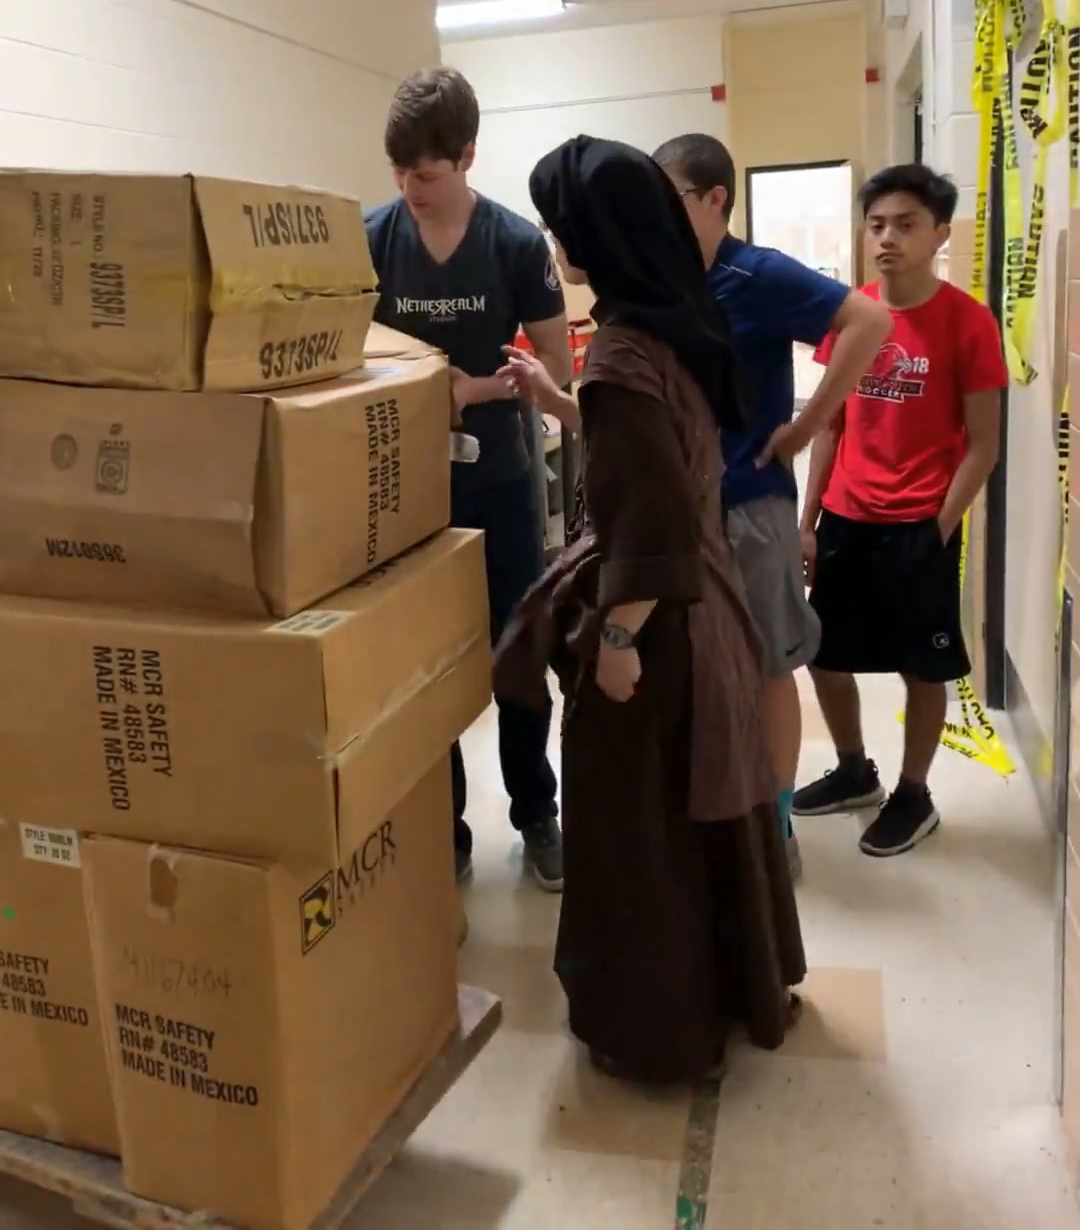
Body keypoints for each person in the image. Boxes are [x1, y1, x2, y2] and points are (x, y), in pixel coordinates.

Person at [495, 136, 805, 1084]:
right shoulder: (674, 322)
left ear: (599, 234)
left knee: (642, 829)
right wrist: (561, 400)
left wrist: (619, 638)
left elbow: (652, 515)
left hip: (659, 623)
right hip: (708, 604)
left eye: (559, 226)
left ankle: (660, 1033)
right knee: (704, 812)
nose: (553, 242)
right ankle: (736, 988)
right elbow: (653, 455)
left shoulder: (622, 354)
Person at [652, 134, 891, 876]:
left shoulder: (754, 274)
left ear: (715, 198)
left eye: (671, 199)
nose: (659, 216)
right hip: (680, 510)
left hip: (751, 506)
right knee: (697, 672)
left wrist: (808, 425)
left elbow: (869, 323)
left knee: (767, 668)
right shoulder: (664, 282)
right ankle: (720, 814)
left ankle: (777, 823)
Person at [365, 67, 573, 891]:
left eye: (427, 174)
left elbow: (556, 364)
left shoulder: (514, 244)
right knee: (425, 667)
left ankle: (536, 812)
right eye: (400, 173)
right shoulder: (372, 239)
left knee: (517, 655)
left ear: (467, 157)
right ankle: (443, 827)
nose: (411, 190)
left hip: (500, 485)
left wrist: (474, 390)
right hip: (405, 492)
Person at [794, 164, 1006, 856]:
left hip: (919, 524)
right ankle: (854, 770)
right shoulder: (854, 314)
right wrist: (807, 522)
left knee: (923, 668)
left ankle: (914, 794)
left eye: (906, 224)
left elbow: (984, 443)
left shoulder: (968, 323)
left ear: (939, 233)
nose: (887, 238)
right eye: (877, 224)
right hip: (846, 517)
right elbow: (829, 424)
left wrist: (937, 529)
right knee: (824, 655)